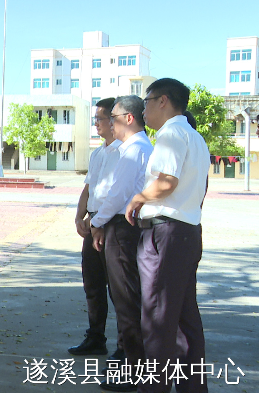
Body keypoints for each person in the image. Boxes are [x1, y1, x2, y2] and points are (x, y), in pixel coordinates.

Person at [126, 79, 210, 393]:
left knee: (158, 320)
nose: (143, 110)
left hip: (165, 233)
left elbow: (166, 183)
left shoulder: (171, 133)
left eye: (146, 101)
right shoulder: (195, 137)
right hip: (186, 233)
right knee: (185, 321)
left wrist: (137, 199)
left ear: (162, 100)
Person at [90, 95, 153, 392]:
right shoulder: (135, 148)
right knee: (127, 298)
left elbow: (118, 194)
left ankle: (134, 370)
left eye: (112, 118)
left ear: (128, 118)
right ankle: (132, 362)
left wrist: (97, 222)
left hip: (123, 227)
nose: (109, 124)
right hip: (124, 225)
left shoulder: (134, 150)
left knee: (127, 300)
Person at [68, 98, 122, 357]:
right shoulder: (98, 153)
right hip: (93, 224)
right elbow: (88, 188)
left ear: (113, 120)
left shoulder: (125, 152)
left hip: (113, 225)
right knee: (93, 284)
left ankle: (126, 345)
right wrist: (79, 217)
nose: (96, 123)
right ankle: (95, 337)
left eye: (99, 118)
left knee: (120, 289)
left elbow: (119, 193)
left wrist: (97, 220)